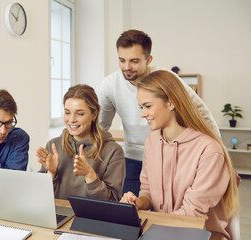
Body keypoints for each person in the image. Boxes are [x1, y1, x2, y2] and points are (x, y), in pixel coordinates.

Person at [98, 29, 220, 195]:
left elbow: (201, 114)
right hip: (133, 157)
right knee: (130, 209)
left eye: (134, 61)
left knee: (164, 209)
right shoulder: (109, 85)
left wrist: (221, 155)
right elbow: (100, 126)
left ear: (148, 59)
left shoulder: (167, 79)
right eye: (121, 60)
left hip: (168, 155)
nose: (127, 67)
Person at [120, 70, 239, 240]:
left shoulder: (209, 150)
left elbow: (191, 214)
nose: (142, 114)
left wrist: (152, 229)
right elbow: (147, 190)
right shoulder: (151, 142)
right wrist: (139, 203)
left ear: (171, 103)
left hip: (202, 235)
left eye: (148, 106)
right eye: (141, 107)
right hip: (166, 231)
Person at [37, 84, 125, 201]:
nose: (72, 119)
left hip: (91, 217)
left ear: (94, 114)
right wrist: (51, 173)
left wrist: (90, 176)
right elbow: (39, 197)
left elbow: (113, 201)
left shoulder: (113, 151)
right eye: (67, 112)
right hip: (59, 216)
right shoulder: (53, 146)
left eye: (80, 114)